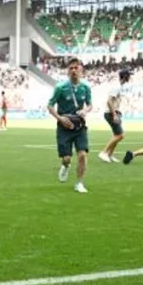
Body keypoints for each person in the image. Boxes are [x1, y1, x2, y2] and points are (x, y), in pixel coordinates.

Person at [47, 57, 92, 194]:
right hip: (64, 127)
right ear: (68, 71)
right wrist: (60, 118)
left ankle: (79, 183)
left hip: (79, 126)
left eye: (76, 68)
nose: (73, 70)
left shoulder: (85, 88)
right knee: (66, 158)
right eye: (71, 68)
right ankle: (65, 166)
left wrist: (85, 110)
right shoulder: (60, 87)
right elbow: (50, 105)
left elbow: (90, 105)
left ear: (81, 70)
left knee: (82, 155)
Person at [99, 69, 132, 163]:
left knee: (117, 135)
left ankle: (110, 154)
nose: (130, 77)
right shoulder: (116, 87)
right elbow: (109, 101)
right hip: (111, 113)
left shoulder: (119, 87)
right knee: (120, 135)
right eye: (129, 75)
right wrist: (114, 115)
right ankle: (104, 152)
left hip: (114, 112)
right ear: (125, 77)